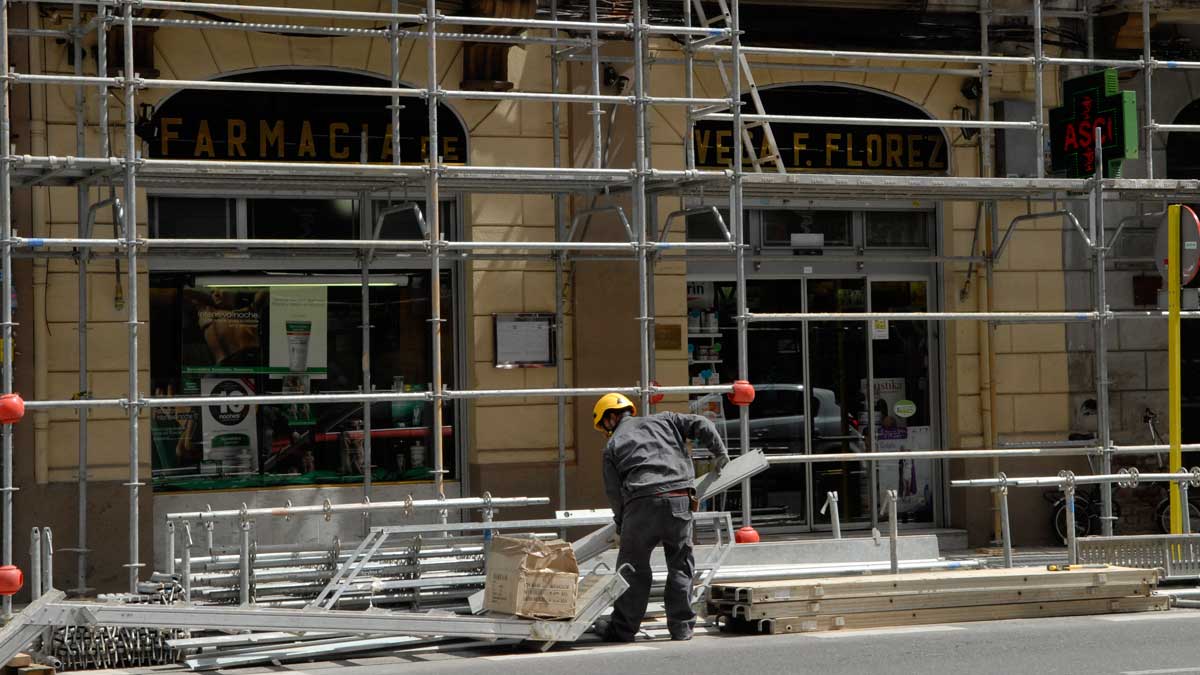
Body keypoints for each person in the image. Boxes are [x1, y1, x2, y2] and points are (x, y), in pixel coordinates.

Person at [592, 392, 730, 643]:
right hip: (679, 499)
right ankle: (681, 628)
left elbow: (613, 492)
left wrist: (623, 523)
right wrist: (719, 453)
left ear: (611, 417)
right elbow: (703, 423)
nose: (606, 431)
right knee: (680, 563)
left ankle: (623, 630)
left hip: (640, 504)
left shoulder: (612, 446)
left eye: (604, 425)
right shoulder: (666, 420)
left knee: (632, 569)